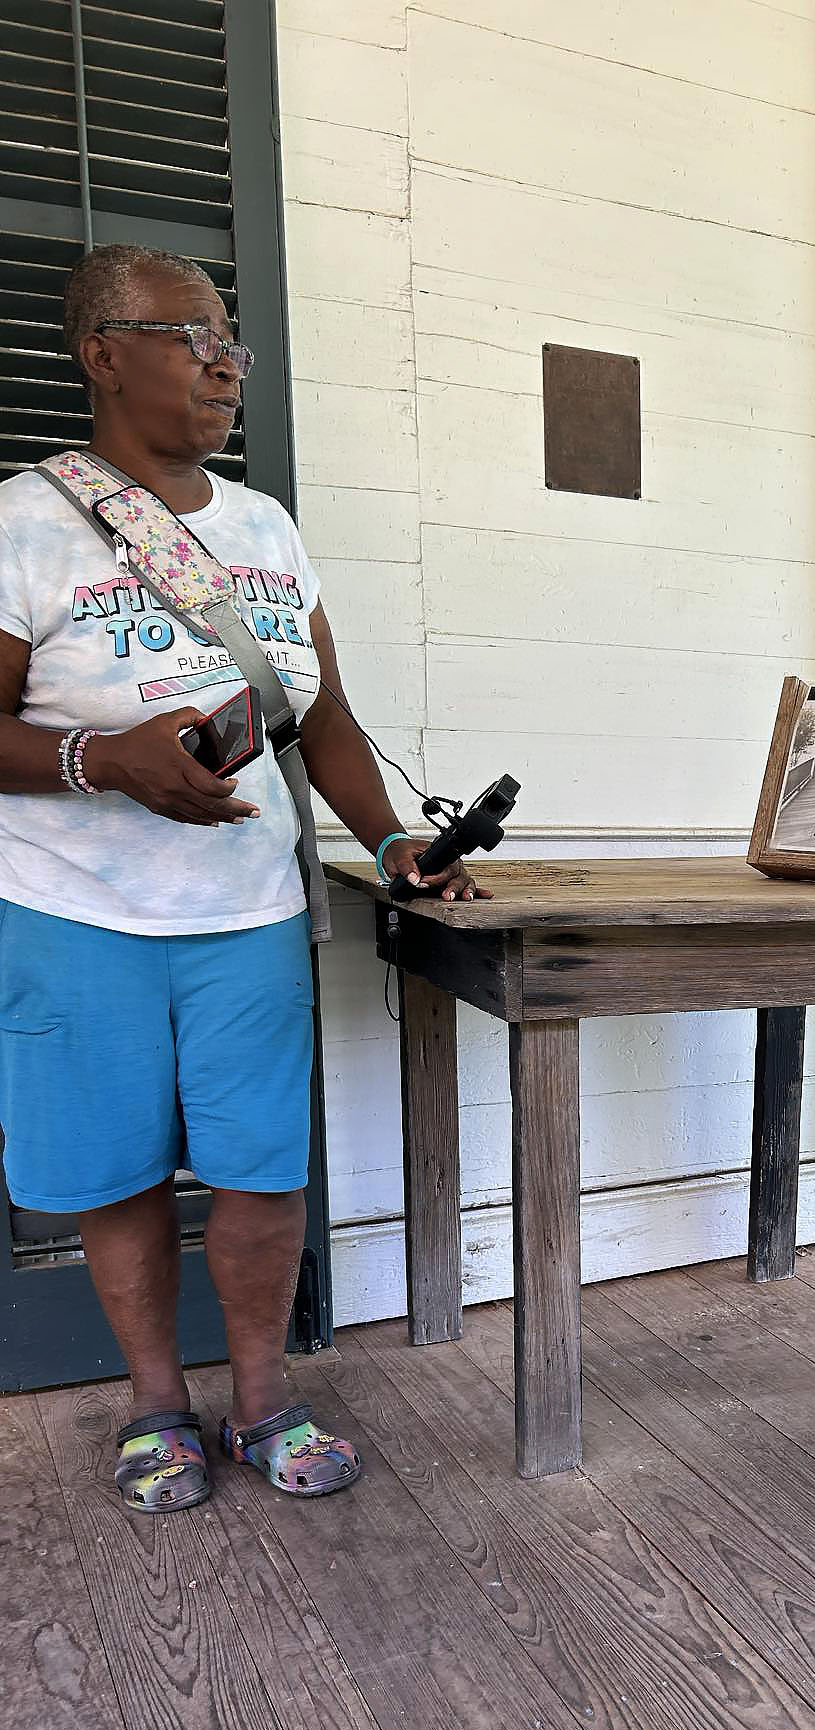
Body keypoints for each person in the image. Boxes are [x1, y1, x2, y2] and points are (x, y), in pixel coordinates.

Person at [0, 244, 486, 1513]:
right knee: (116, 1173)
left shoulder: (268, 528)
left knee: (264, 1171)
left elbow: (320, 722)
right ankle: (156, 1403)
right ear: (102, 352)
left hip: (250, 913)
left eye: (233, 345)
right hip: (73, 911)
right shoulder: (22, 519)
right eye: (191, 336)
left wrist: (393, 843)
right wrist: (103, 757)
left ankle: (264, 1398)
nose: (223, 365)